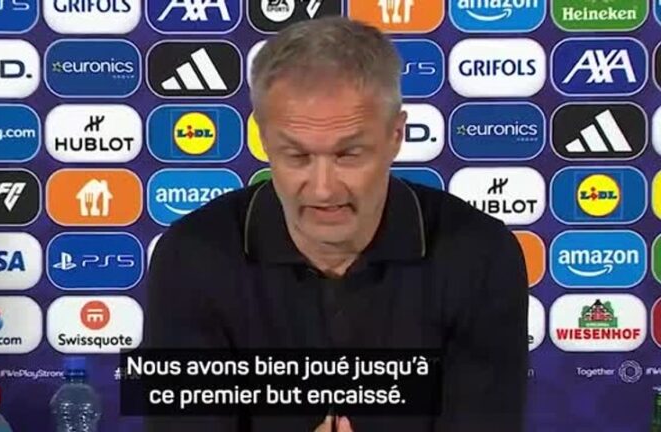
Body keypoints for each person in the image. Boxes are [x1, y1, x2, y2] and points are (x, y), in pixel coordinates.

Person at [145, 16, 529, 432]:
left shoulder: (481, 254)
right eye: (297, 156)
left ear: (396, 135)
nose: (324, 189)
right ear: (264, 139)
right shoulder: (189, 256)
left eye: (348, 155)